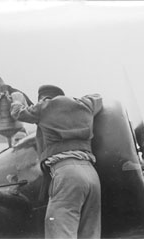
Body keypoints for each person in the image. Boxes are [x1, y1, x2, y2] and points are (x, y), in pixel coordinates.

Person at [10, 85, 103, 239]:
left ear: (43, 98)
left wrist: (17, 99)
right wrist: (75, 102)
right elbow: (98, 97)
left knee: (59, 230)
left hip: (67, 174)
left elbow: (17, 113)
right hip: (92, 176)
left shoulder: (44, 107)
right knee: (89, 234)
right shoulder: (85, 105)